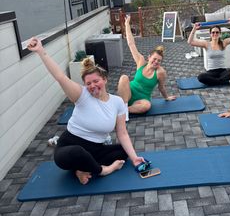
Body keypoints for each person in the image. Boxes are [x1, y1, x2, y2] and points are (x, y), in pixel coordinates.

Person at [27, 37, 145, 185]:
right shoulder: (81, 95)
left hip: (95, 149)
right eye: (88, 83)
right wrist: (40, 51)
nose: (92, 86)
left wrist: (134, 158)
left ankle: (81, 169)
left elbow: (122, 133)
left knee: (124, 151)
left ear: (105, 80)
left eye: (96, 81)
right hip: (68, 147)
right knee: (77, 153)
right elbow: (60, 77)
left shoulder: (117, 102)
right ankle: (104, 170)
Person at [117, 15, 176, 115]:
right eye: (154, 59)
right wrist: (127, 24)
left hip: (141, 99)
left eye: (159, 61)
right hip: (129, 93)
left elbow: (161, 87)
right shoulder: (141, 62)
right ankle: (123, 106)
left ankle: (124, 110)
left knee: (147, 106)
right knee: (123, 77)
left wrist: (166, 97)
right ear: (149, 58)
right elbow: (131, 44)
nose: (156, 62)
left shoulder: (160, 72)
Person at [187, 19, 230, 86]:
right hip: (211, 72)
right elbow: (190, 42)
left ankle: (216, 81)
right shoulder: (206, 44)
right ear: (210, 34)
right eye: (213, 32)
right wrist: (194, 28)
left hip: (223, 71)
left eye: (217, 32)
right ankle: (222, 81)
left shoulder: (224, 42)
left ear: (220, 34)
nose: (215, 34)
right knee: (201, 77)